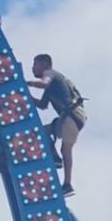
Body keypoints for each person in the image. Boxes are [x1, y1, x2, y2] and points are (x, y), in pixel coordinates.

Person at [27, 54, 87, 198]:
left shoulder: (50, 74)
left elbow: (44, 83)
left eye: (35, 64)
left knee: (41, 133)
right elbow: (42, 105)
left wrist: (25, 83)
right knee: (65, 149)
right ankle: (67, 184)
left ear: (45, 64)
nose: (32, 67)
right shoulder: (54, 85)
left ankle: (55, 158)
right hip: (76, 118)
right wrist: (27, 96)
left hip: (70, 116)